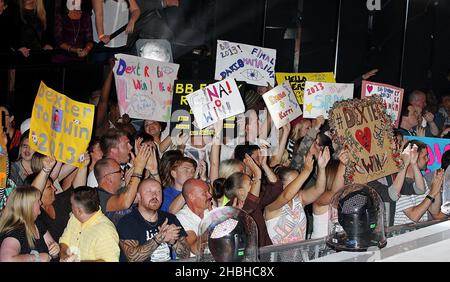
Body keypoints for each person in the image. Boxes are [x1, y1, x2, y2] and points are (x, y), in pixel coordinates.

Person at [265, 147, 329, 245]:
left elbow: (319, 189)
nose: (299, 184)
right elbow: (286, 196)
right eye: (295, 182)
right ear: (281, 185)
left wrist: (322, 168)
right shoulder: (271, 206)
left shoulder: (299, 198)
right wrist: (306, 171)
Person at [117, 179, 190, 262]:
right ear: (139, 196)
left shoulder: (170, 218)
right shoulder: (127, 222)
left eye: (158, 191)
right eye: (149, 191)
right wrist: (159, 238)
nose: (155, 195)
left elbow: (186, 255)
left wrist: (174, 242)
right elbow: (133, 258)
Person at [59, 187, 120, 262]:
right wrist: (65, 256)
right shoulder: (74, 218)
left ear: (79, 211)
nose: (70, 207)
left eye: (71, 204)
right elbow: (64, 241)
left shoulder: (106, 231)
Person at [0, 186, 59, 262]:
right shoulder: (15, 232)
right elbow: (6, 260)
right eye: (38, 201)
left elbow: (51, 248)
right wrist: (36, 258)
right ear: (29, 207)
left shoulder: (37, 223)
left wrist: (55, 251)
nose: (41, 203)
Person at [175, 179, 212, 255]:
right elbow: (196, 249)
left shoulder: (212, 209)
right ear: (192, 197)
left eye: (208, 191)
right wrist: (212, 223)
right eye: (205, 193)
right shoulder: (181, 218)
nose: (210, 195)